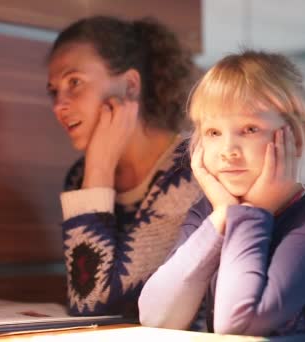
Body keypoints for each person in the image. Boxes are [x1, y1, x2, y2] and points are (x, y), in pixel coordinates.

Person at [138, 50, 305, 336]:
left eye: (250, 129)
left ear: (298, 138)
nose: (228, 151)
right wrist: (221, 220)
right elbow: (156, 317)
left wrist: (250, 214)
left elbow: (238, 325)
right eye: (214, 132)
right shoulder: (209, 212)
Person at [46, 15, 202, 317]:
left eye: (74, 82)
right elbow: (87, 301)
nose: (58, 105)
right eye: (53, 91)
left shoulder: (192, 170)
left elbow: (93, 306)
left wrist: (100, 168)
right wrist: (97, 170)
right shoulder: (81, 175)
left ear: (130, 86)